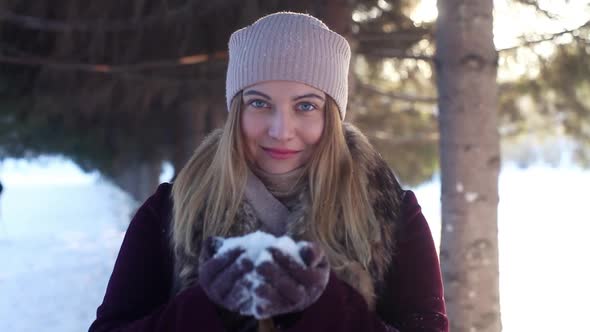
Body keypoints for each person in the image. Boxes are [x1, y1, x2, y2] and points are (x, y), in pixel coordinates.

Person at [89, 12, 448, 332]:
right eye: (259, 103)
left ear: (332, 116)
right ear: (236, 111)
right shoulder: (171, 209)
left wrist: (324, 305)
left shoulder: (391, 214)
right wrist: (206, 306)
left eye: (306, 106)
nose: (281, 129)